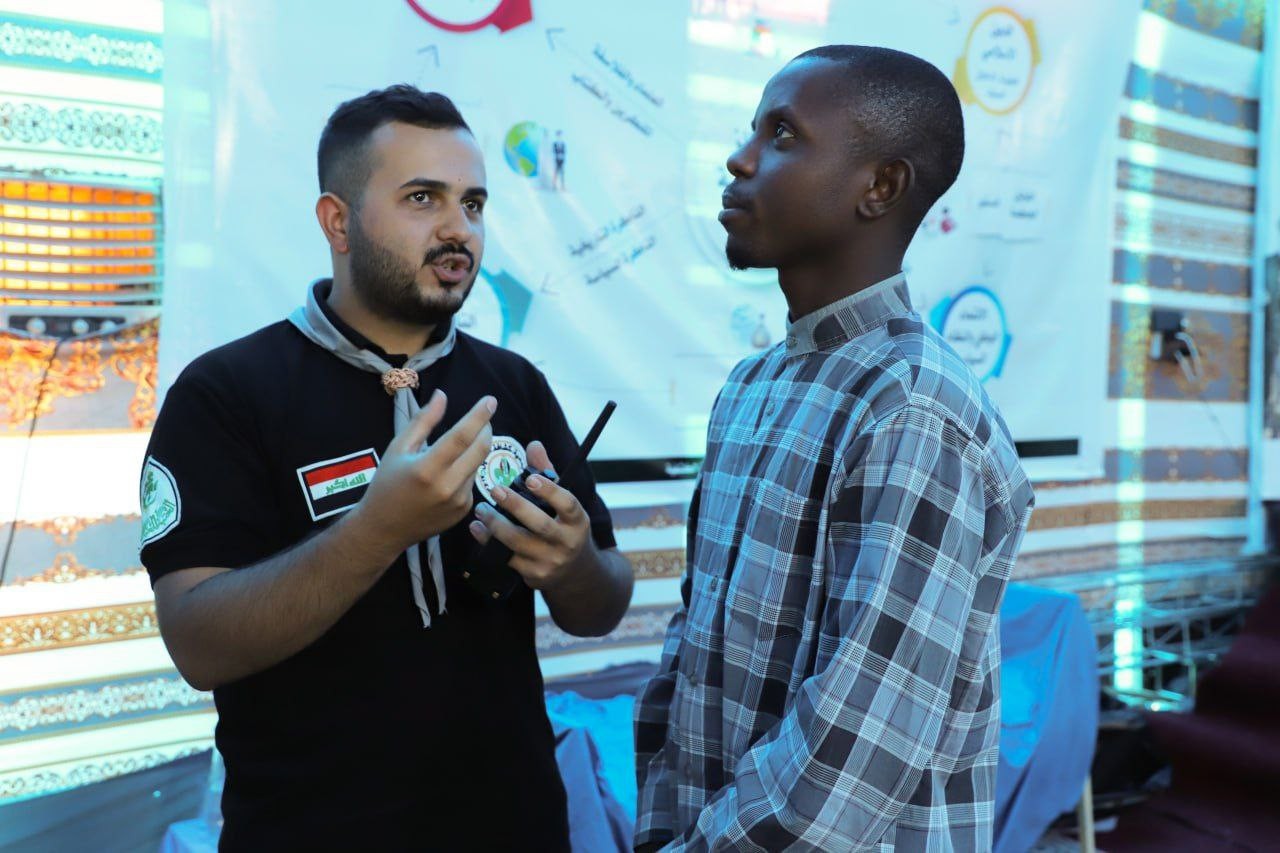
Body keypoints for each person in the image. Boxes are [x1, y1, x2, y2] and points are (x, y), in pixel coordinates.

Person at [140, 85, 633, 851]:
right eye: (422, 198)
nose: (458, 228)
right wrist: (377, 529)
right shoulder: (225, 393)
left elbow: (601, 604)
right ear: (337, 222)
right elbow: (198, 645)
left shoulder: (514, 384)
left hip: (517, 827)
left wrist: (572, 564)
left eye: (473, 203)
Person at [634, 46, 1034, 851]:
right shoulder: (750, 389)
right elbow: (691, 654)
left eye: (782, 135)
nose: (740, 159)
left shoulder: (913, 410)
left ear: (879, 187)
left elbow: (849, 766)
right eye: (753, 130)